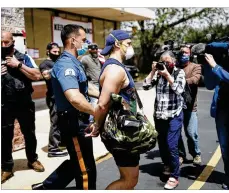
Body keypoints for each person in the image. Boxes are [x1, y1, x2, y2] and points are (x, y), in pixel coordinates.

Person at [31, 24, 99, 190]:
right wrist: (98, 111)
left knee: (81, 161)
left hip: (79, 120)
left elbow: (86, 87)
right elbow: (75, 98)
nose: (86, 44)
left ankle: (47, 186)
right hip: (73, 122)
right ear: (73, 40)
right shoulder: (65, 65)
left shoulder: (74, 62)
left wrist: (108, 99)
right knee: (85, 169)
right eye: (83, 40)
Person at [88, 30, 140, 190]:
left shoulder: (114, 66)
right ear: (117, 44)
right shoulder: (115, 70)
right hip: (121, 131)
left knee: (128, 181)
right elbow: (103, 104)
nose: (131, 48)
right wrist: (96, 124)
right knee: (129, 180)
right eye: (128, 44)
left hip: (126, 128)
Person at [1, 31, 45, 184]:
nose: (3, 45)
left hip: (24, 103)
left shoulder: (24, 57)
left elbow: (37, 75)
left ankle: (32, 160)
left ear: (12, 41)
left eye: (6, 42)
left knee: (29, 133)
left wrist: (18, 65)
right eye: (1, 42)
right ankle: (6, 168)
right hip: (5, 104)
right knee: (5, 136)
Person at [144, 51, 186, 189]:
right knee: (162, 143)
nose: (165, 64)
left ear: (173, 61)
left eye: (168, 61)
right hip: (160, 115)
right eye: (163, 61)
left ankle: (174, 176)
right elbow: (146, 86)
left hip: (174, 114)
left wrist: (167, 75)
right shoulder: (158, 73)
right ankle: (167, 164)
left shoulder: (179, 72)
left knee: (172, 145)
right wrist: (153, 71)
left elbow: (179, 90)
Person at [204, 43, 229, 190]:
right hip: (222, 109)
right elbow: (209, 85)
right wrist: (209, 63)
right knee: (225, 146)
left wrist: (215, 66)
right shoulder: (223, 59)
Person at [39, 42, 68, 157]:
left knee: (62, 122)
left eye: (58, 51)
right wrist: (58, 66)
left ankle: (60, 143)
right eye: (54, 52)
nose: (56, 53)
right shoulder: (45, 64)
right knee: (55, 123)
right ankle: (53, 149)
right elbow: (46, 75)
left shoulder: (57, 62)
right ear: (48, 51)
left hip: (62, 97)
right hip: (53, 97)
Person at [176, 45, 202, 166]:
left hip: (190, 106)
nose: (184, 54)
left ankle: (196, 153)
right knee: (176, 133)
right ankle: (181, 155)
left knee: (191, 132)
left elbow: (196, 79)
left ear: (190, 54)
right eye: (182, 52)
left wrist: (179, 81)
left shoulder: (195, 67)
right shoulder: (175, 67)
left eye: (186, 52)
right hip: (175, 106)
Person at [81, 43, 101, 122]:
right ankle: (91, 122)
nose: (95, 50)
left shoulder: (99, 58)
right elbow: (80, 69)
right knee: (94, 104)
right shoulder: (85, 58)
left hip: (100, 85)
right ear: (89, 50)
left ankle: (98, 120)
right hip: (92, 85)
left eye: (96, 49)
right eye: (93, 49)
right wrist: (86, 76)